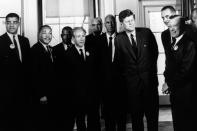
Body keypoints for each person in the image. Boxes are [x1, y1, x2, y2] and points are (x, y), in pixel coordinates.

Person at [114, 9, 159, 131]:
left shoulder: (146, 33)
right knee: (136, 118)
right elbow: (119, 63)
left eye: (132, 20)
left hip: (149, 83)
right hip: (132, 86)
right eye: (127, 21)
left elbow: (154, 54)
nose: (131, 23)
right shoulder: (119, 39)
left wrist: (150, 73)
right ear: (122, 23)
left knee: (152, 117)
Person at [161, 15, 196, 131]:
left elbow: (185, 71)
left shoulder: (190, 43)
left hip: (187, 94)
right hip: (176, 93)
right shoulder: (172, 42)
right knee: (177, 123)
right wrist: (167, 81)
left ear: (182, 26)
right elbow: (169, 66)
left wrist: (169, 84)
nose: (171, 29)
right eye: (169, 26)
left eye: (175, 26)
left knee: (187, 124)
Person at [0, 13, 31, 131]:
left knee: (22, 122)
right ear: (5, 24)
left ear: (18, 23)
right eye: (9, 22)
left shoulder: (25, 41)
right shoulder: (0, 41)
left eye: (14, 22)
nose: (12, 25)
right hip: (6, 93)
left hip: (23, 92)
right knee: (7, 123)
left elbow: (28, 67)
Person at [65, 27, 99, 131]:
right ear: (73, 39)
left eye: (83, 36)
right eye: (78, 36)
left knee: (94, 120)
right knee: (80, 121)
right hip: (77, 95)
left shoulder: (92, 51)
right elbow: (66, 77)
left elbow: (97, 72)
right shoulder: (67, 54)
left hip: (92, 93)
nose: (81, 38)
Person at [100, 14, 127, 131]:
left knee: (121, 116)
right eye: (107, 22)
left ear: (115, 24)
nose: (110, 24)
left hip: (121, 83)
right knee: (108, 117)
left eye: (112, 22)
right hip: (105, 84)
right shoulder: (99, 40)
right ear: (104, 25)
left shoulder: (123, 38)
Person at [30, 25, 55, 131]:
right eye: (44, 33)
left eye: (50, 33)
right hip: (41, 97)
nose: (47, 36)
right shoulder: (34, 50)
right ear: (39, 34)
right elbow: (33, 75)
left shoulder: (50, 49)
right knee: (41, 124)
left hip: (51, 95)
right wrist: (41, 95)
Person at [52, 26, 74, 129]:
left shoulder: (76, 48)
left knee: (71, 117)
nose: (67, 36)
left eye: (70, 34)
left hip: (73, 89)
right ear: (61, 36)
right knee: (60, 118)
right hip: (60, 89)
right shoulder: (55, 49)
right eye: (65, 34)